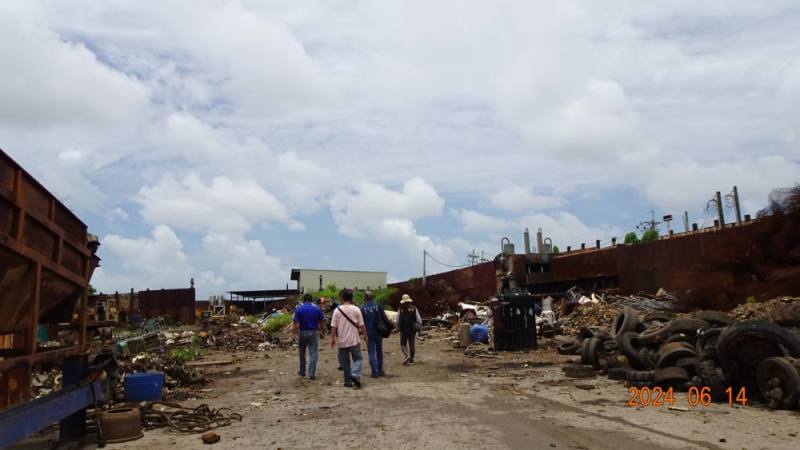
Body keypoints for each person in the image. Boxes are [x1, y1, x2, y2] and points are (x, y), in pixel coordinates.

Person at [330, 289, 368, 388]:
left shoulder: (337, 310)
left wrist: (333, 338)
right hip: (354, 340)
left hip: (342, 341)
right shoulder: (356, 309)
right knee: (358, 358)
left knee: (345, 362)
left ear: (342, 298)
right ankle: (355, 373)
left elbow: (333, 327)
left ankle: (348, 381)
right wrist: (365, 335)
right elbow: (362, 325)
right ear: (352, 298)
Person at [291, 294, 327, 380]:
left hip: (302, 332)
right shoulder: (317, 309)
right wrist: (323, 331)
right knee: (313, 353)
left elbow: (295, 324)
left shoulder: (299, 309)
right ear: (311, 300)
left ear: (304, 300)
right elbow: (322, 323)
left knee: (302, 353)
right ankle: (311, 374)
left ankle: (302, 371)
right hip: (313, 333)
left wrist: (293, 334)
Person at [360, 291, 387, 378]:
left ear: (365, 298)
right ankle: (380, 370)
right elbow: (384, 318)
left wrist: (363, 333)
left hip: (368, 333)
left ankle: (375, 372)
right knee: (379, 351)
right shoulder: (378, 306)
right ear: (372, 297)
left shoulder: (362, 308)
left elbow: (361, 322)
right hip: (379, 332)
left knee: (371, 352)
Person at [397, 294, 422, 365]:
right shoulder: (414, 308)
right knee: (412, 344)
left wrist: (397, 327)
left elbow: (398, 319)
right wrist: (419, 327)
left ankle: (406, 355)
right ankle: (411, 358)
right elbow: (419, 320)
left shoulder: (400, 309)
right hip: (412, 329)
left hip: (403, 329)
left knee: (403, 344)